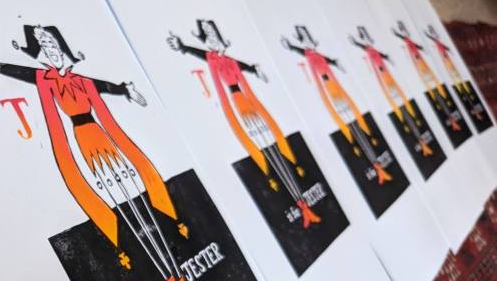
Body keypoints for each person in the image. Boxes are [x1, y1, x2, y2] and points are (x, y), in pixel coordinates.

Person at [0, 25, 204, 281]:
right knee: (122, 209)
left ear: (61, 44)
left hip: (106, 140)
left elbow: (104, 86)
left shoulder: (82, 80)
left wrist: (125, 90)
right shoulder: (46, 79)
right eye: (42, 46)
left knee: (141, 205)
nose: (49, 48)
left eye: (50, 41)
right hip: (85, 144)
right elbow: (23, 73)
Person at [168, 20, 321, 228]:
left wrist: (256, 70)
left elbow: (245, 67)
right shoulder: (212, 59)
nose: (212, 40)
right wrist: (183, 47)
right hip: (238, 106)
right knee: (263, 148)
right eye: (208, 37)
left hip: (250, 104)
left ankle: (302, 203)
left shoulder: (230, 60)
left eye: (214, 35)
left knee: (272, 144)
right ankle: (300, 204)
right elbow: (199, 53)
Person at [282, 25, 392, 184]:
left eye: (308, 37)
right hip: (328, 93)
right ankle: (374, 164)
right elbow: (298, 50)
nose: (308, 41)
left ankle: (376, 164)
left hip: (336, 89)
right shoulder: (308, 54)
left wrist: (336, 63)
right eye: (303, 38)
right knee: (347, 124)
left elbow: (330, 61)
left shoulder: (317, 54)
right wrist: (290, 46)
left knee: (353, 120)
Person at [350, 26, 434, 157]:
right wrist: (355, 43)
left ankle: (420, 140)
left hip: (389, 81)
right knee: (400, 108)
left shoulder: (373, 51)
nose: (367, 40)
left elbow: (384, 56)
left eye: (366, 37)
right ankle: (419, 139)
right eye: (364, 37)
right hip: (384, 84)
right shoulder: (369, 50)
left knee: (403, 107)